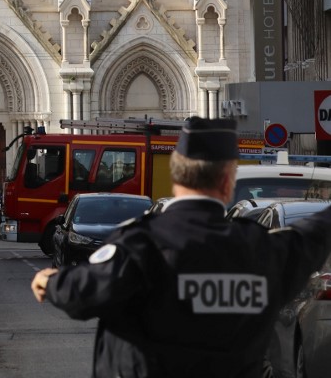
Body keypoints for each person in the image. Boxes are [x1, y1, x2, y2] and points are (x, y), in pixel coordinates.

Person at [31, 117, 331, 378]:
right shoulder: (264, 252)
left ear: (175, 176)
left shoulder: (141, 246)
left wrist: (50, 282)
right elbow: (316, 232)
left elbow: (84, 293)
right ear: (227, 181)